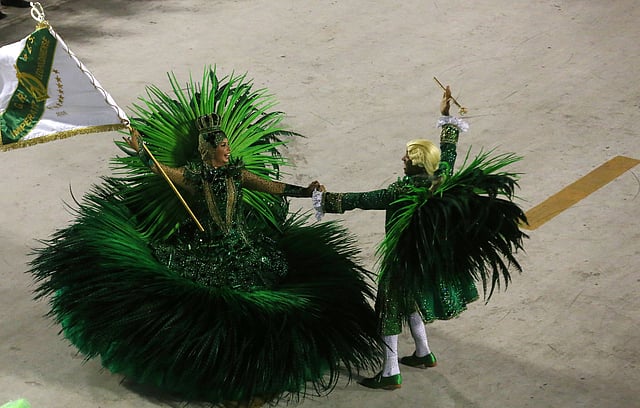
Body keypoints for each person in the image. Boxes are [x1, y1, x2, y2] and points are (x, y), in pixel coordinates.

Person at [29, 70, 382, 407]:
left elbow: (273, 187)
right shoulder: (195, 178)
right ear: (208, 150)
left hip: (243, 245)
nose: (227, 150)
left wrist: (305, 191)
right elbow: (162, 170)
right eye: (222, 146)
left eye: (228, 144)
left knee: (255, 289)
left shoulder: (237, 173)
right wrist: (140, 150)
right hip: (205, 248)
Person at [315, 86, 527, 390]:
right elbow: (449, 152)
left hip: (401, 262)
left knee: (388, 311)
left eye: (408, 156)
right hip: (424, 262)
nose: (402, 158)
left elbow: (361, 198)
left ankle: (389, 372)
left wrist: (325, 199)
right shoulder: (441, 179)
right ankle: (424, 353)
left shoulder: (400, 191)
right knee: (411, 304)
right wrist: (445, 116)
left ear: (415, 164)